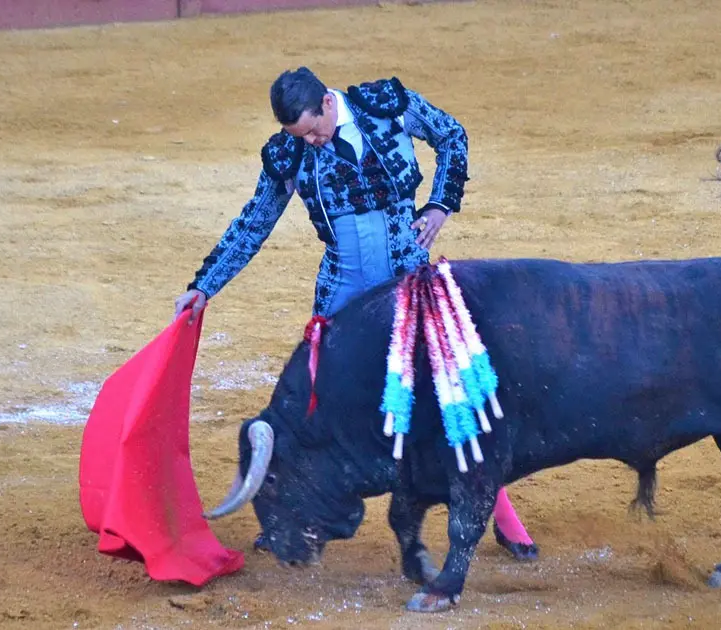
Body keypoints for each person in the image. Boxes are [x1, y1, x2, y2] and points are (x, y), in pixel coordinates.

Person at [173, 67, 539, 561]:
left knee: (451, 397)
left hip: (409, 281)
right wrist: (204, 285)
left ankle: (504, 517)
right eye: (300, 137)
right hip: (341, 294)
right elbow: (255, 221)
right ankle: (290, 512)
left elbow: (451, 134)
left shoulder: (385, 108)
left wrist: (440, 204)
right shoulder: (289, 152)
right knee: (313, 409)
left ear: (328, 102)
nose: (313, 143)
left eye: (314, 130)